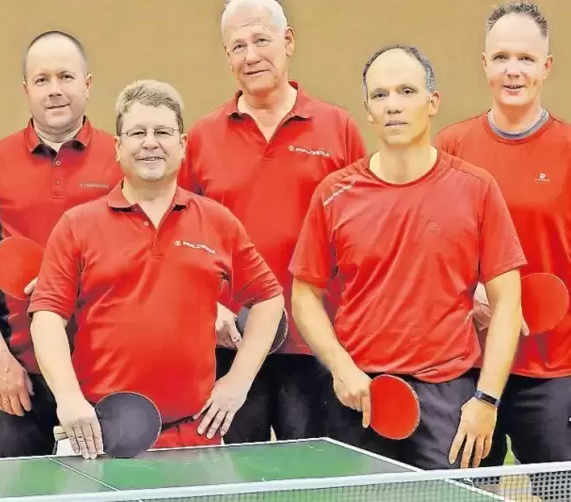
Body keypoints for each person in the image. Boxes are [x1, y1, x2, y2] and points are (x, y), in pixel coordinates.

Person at [289, 44, 526, 471]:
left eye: (406, 91)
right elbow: (304, 293)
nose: (393, 106)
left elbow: (508, 300)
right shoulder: (334, 194)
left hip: (447, 399)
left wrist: (486, 399)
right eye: (380, 95)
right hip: (357, 397)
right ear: (367, 109)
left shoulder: (477, 188)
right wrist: (341, 367)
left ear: (433, 102)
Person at [28, 79, 285, 460]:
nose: (150, 142)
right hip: (98, 436)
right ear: (118, 148)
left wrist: (238, 381)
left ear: (182, 145)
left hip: (195, 437)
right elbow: (46, 315)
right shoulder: (77, 225)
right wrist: (67, 398)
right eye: (137, 133)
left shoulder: (218, 222)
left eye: (162, 132)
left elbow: (269, 298)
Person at [178, 0, 367, 444]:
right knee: (240, 477)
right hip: (231, 343)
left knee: (319, 478)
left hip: (316, 343)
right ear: (228, 58)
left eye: (261, 40)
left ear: (288, 42)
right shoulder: (203, 137)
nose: (250, 55)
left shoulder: (338, 128)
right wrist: (208, 308)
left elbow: (364, 234)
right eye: (237, 46)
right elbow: (181, 237)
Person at [0, 31, 122, 460]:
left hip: (107, 371)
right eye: (42, 79)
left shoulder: (123, 158)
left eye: (66, 76)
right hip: (19, 371)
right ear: (26, 89)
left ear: (87, 83)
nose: (55, 90)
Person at [434, 2, 571, 495]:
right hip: (469, 367)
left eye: (527, 59)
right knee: (467, 493)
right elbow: (432, 252)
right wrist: (469, 296)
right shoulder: (451, 145)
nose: (513, 70)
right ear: (485, 63)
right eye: (502, 57)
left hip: (552, 369)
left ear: (546, 67)